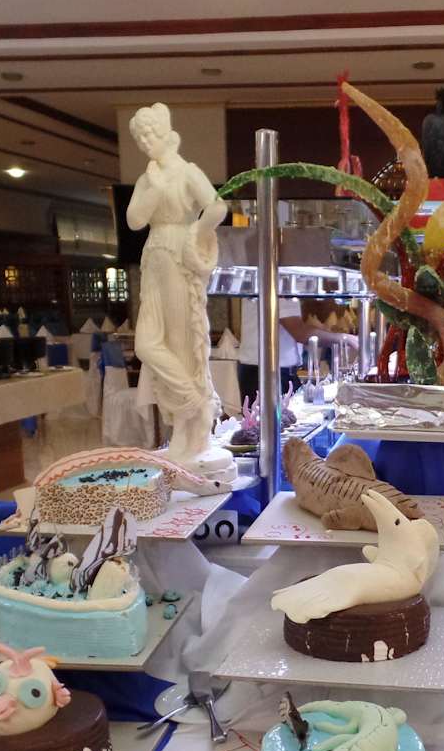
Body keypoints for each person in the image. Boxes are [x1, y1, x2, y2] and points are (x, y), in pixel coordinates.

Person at [124, 103, 232, 475]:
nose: (144, 143)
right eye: (139, 138)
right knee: (147, 343)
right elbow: (135, 220)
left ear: (164, 133)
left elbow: (217, 207)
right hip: (153, 256)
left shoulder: (188, 172)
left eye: (148, 135)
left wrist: (196, 232)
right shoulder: (149, 177)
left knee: (182, 343)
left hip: (177, 255)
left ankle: (190, 429)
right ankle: (193, 403)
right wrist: (153, 188)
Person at [237, 298, 358, 401]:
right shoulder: (279, 284)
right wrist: (346, 339)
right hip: (265, 373)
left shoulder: (285, 287)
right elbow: (300, 333)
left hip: (275, 371)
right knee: (272, 421)